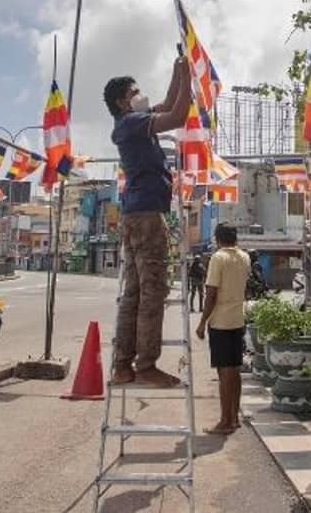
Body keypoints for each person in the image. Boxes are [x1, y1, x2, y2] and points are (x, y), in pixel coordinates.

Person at [103, 53, 191, 388]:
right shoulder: (131, 124)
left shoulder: (132, 122)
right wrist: (189, 80)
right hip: (146, 216)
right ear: (122, 102)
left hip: (136, 214)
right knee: (154, 290)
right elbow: (179, 113)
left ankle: (123, 365)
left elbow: (169, 102)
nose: (142, 96)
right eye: (135, 93)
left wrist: (177, 72)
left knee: (135, 292)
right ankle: (145, 365)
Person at [195, 223, 251, 434]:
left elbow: (211, 294)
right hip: (238, 319)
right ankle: (234, 418)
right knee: (234, 372)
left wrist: (202, 322)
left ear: (218, 239)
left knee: (224, 374)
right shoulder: (244, 257)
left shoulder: (218, 258)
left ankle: (225, 421)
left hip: (221, 322)